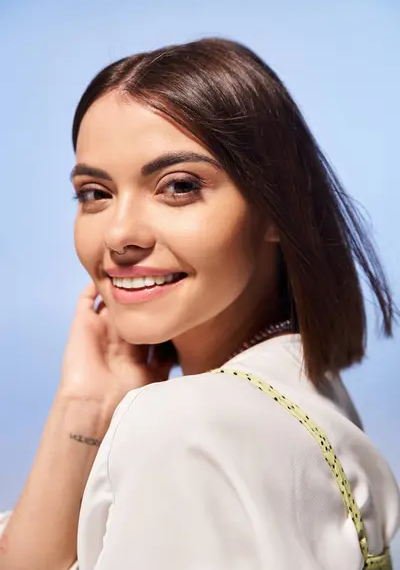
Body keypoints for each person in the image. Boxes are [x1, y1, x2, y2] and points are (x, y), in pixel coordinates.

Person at [0, 37, 399, 570]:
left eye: (178, 186)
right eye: (94, 193)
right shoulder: (304, 394)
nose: (119, 235)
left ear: (278, 208)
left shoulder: (183, 427)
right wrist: (87, 403)